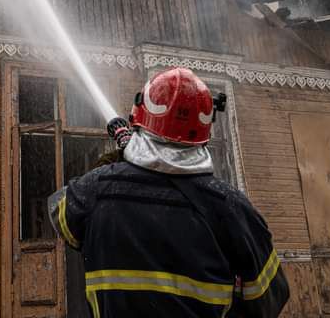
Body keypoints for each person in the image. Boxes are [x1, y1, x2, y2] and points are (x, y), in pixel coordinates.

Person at [48, 67, 290, 318]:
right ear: (206, 126)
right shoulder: (232, 207)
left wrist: (122, 161)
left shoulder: (96, 190)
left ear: (141, 113)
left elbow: (61, 217)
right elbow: (270, 297)